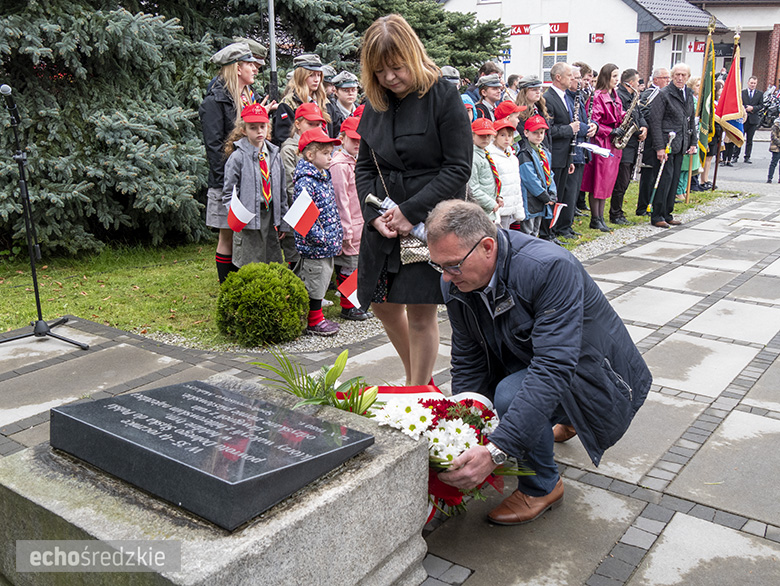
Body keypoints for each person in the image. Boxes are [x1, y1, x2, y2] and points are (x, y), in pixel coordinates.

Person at [428, 200, 651, 525]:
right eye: (438, 267)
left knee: (509, 395)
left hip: (591, 371)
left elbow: (553, 367)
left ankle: (543, 485)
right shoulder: (458, 280)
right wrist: (466, 427)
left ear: (487, 247)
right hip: (529, 359)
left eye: (452, 266)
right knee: (493, 395)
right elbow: (468, 358)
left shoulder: (549, 268)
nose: (446, 279)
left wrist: (496, 450)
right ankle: (563, 421)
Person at [355, 14, 472, 386]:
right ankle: (418, 381)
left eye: (396, 67)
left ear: (413, 55)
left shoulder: (442, 95)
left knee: (421, 314)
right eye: (380, 71)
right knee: (381, 303)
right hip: (383, 221)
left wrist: (410, 212)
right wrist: (373, 215)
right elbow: (363, 169)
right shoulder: (374, 102)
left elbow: (458, 168)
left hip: (428, 221)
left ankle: (417, 389)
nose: (389, 78)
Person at [199, 42, 263, 283]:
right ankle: (227, 287)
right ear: (237, 68)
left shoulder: (248, 96)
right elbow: (214, 147)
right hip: (228, 180)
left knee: (247, 235)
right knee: (227, 235)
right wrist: (228, 183)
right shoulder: (215, 101)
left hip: (251, 175)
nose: (255, 69)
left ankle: (242, 282)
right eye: (250, 64)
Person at [221, 104, 287, 267]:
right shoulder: (237, 158)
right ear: (244, 130)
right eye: (253, 128)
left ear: (268, 127)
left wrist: (283, 220)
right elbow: (228, 193)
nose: (259, 131)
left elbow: (282, 190)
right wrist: (236, 218)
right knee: (249, 261)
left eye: (262, 127)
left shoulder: (275, 156)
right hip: (248, 218)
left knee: (271, 259)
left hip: (270, 215)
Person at [293, 128, 344, 336]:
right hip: (315, 245)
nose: (330, 157)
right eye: (325, 154)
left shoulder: (324, 175)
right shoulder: (306, 180)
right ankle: (314, 321)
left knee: (322, 279)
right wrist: (320, 238)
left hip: (327, 242)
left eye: (331, 153)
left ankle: (317, 318)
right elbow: (303, 214)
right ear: (310, 155)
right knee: (314, 281)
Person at [331, 116, 373, 321]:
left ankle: (356, 302)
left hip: (360, 221)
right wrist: (346, 228)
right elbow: (341, 199)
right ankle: (348, 306)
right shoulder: (339, 165)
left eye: (360, 139)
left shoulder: (357, 161)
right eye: (353, 139)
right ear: (342, 138)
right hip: (349, 224)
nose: (357, 143)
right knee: (348, 264)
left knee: (357, 264)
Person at [647, 63, 697, 228]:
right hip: (666, 143)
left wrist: (693, 142)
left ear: (687, 77)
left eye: (683, 75)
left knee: (674, 180)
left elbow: (690, 121)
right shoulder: (664, 94)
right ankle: (657, 215)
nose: (680, 78)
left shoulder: (688, 94)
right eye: (677, 75)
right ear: (672, 76)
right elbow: (655, 122)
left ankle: (668, 213)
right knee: (664, 180)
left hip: (681, 144)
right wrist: (660, 147)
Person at [280, 103, 328, 269]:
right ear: (298, 124)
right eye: (310, 124)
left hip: (320, 210)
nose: (315, 128)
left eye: (318, 125)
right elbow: (290, 185)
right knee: (297, 258)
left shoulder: (320, 148)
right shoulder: (289, 149)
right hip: (300, 210)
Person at [581, 63, 624, 232]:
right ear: (606, 77)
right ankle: (595, 218)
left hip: (612, 144)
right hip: (601, 143)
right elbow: (593, 122)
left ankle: (601, 217)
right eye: (614, 76)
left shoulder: (615, 95)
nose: (617, 79)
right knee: (597, 182)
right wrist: (611, 130)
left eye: (617, 76)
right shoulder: (597, 96)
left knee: (606, 182)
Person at [557, 65, 598, 239]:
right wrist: (583, 128)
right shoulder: (566, 97)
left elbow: (584, 118)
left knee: (573, 190)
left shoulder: (578, 97)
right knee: (567, 190)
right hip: (570, 149)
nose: (580, 81)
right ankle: (562, 227)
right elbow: (573, 124)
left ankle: (569, 225)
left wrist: (593, 125)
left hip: (580, 148)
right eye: (576, 78)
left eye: (581, 78)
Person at [542, 62, 579, 243]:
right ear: (558, 77)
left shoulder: (565, 97)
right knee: (553, 194)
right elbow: (549, 130)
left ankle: (558, 228)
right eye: (569, 75)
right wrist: (569, 129)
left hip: (565, 155)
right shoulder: (548, 98)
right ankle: (548, 231)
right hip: (555, 154)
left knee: (562, 194)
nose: (572, 78)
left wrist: (571, 157)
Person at [610, 68, 647, 224]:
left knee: (626, 181)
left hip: (632, 143)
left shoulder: (633, 96)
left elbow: (639, 115)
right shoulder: (619, 96)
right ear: (631, 82)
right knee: (622, 181)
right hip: (623, 145)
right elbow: (624, 117)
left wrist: (644, 127)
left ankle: (619, 211)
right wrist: (637, 129)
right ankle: (615, 213)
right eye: (638, 82)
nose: (639, 85)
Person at [271, 54, 331, 146]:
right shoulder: (288, 103)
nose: (317, 80)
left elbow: (334, 129)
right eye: (311, 75)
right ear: (301, 76)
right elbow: (283, 137)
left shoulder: (325, 101)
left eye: (319, 75)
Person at [636, 68, 671, 215]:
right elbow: (644, 112)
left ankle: (653, 203)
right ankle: (643, 206)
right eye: (665, 78)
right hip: (650, 139)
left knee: (657, 174)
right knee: (648, 174)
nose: (668, 81)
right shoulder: (649, 94)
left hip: (661, 137)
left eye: (669, 78)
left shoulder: (666, 94)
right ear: (655, 79)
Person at [518, 115, 557, 237]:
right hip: (531, 198)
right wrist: (544, 195)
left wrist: (552, 192)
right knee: (527, 232)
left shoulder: (544, 152)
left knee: (536, 231)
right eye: (535, 133)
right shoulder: (525, 154)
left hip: (542, 198)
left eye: (542, 132)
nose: (539, 136)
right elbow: (530, 179)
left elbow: (549, 173)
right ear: (526, 132)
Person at [487, 118, 525, 229]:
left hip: (510, 204)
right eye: (502, 135)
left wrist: (518, 208)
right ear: (495, 136)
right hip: (498, 206)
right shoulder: (491, 156)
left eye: (509, 135)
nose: (507, 138)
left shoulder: (512, 157)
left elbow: (516, 184)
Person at [468, 118, 502, 222]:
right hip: (478, 211)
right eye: (481, 135)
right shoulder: (473, 157)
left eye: (488, 135)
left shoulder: (486, 153)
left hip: (488, 209)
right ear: (473, 135)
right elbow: (473, 189)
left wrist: (497, 196)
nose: (485, 138)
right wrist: (491, 203)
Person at [676, 76, 702, 198]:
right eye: (697, 85)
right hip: (687, 133)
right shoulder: (690, 98)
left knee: (689, 167)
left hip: (695, 133)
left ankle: (685, 188)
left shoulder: (698, 99)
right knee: (684, 166)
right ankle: (679, 190)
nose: (699, 88)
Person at [327, 71, 359, 138]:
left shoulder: (362, 111)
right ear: (336, 92)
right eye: (345, 90)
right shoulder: (331, 113)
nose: (350, 93)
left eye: (353, 90)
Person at [739, 76, 763, 164]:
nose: (753, 85)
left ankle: (747, 157)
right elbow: (739, 103)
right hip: (743, 119)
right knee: (740, 138)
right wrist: (746, 107)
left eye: (754, 83)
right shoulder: (742, 93)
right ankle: (735, 156)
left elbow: (761, 105)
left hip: (753, 119)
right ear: (748, 83)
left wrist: (753, 108)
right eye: (751, 83)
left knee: (750, 140)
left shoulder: (759, 94)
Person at [768, 115, 780, 183]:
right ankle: (770, 178)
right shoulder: (776, 125)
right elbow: (773, 136)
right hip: (776, 147)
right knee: (773, 163)